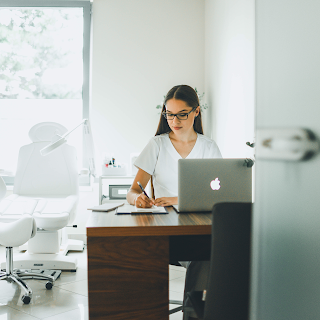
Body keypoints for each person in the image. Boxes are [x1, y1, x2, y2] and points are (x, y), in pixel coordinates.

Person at [126, 84, 222, 319]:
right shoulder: (157, 144)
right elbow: (131, 192)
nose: (174, 120)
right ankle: (192, 306)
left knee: (209, 252)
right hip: (165, 229)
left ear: (196, 112)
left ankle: (194, 308)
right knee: (201, 255)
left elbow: (218, 196)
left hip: (198, 226)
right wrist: (138, 198)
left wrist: (177, 199)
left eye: (182, 114)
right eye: (169, 114)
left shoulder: (208, 147)